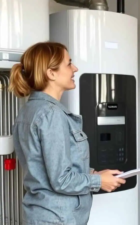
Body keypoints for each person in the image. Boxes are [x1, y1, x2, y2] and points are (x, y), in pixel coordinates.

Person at [9, 42, 126, 225]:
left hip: (42, 215)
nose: (75, 68)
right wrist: (97, 181)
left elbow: (48, 167)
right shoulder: (51, 114)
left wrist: (94, 173)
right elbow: (61, 180)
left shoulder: (29, 110)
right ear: (51, 73)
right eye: (69, 63)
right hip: (57, 218)